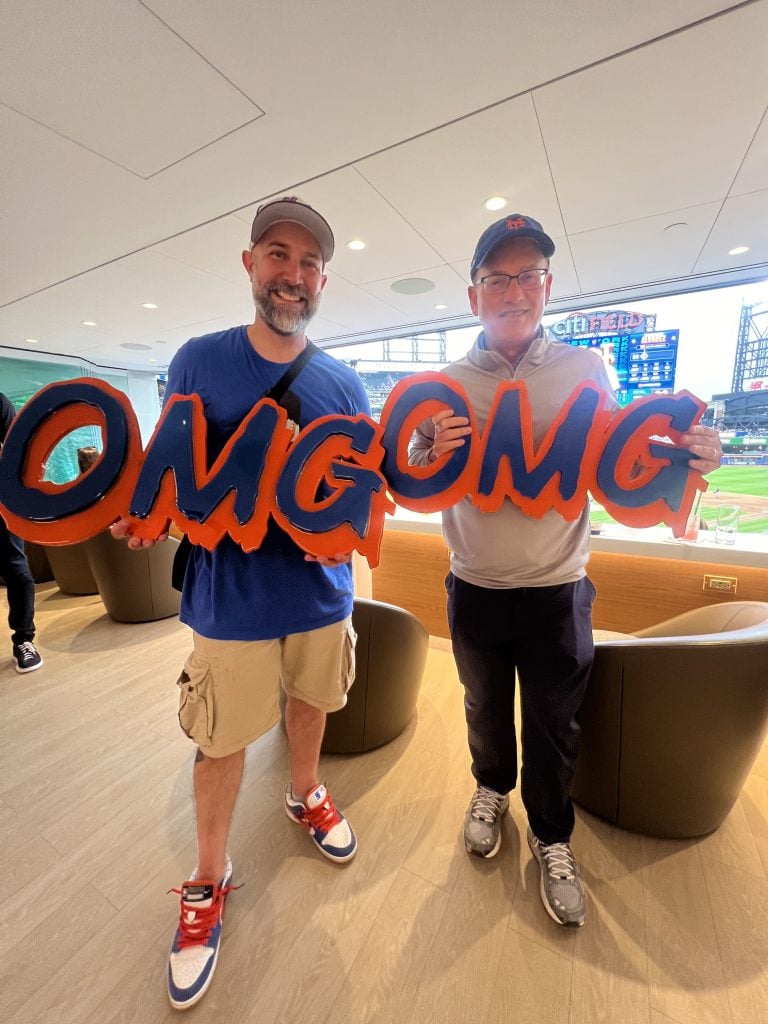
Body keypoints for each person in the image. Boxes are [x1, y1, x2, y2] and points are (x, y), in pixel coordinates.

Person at [409, 214, 722, 928]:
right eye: (498, 277)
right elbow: (419, 478)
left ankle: (552, 838)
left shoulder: (589, 372)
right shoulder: (443, 385)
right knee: (483, 709)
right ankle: (490, 790)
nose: (514, 290)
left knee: (554, 726)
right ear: (473, 294)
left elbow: (627, 465)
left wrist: (689, 460)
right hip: (475, 587)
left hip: (559, 590)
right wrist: (427, 455)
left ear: (548, 287)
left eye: (529, 276)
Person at [112, 197, 370, 1009]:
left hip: (321, 595)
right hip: (228, 599)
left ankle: (304, 791)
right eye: (278, 255)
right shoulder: (197, 359)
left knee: (314, 705)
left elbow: (360, 484)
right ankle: (208, 879)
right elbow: (169, 464)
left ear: (324, 278)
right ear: (251, 264)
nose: (292, 274)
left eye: (308, 263)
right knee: (219, 740)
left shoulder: (344, 381)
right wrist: (145, 515)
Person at [0, 392, 43, 674]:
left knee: (17, 571)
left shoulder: (0, 404)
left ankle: (24, 641)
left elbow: (18, 452)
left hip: (2, 504)